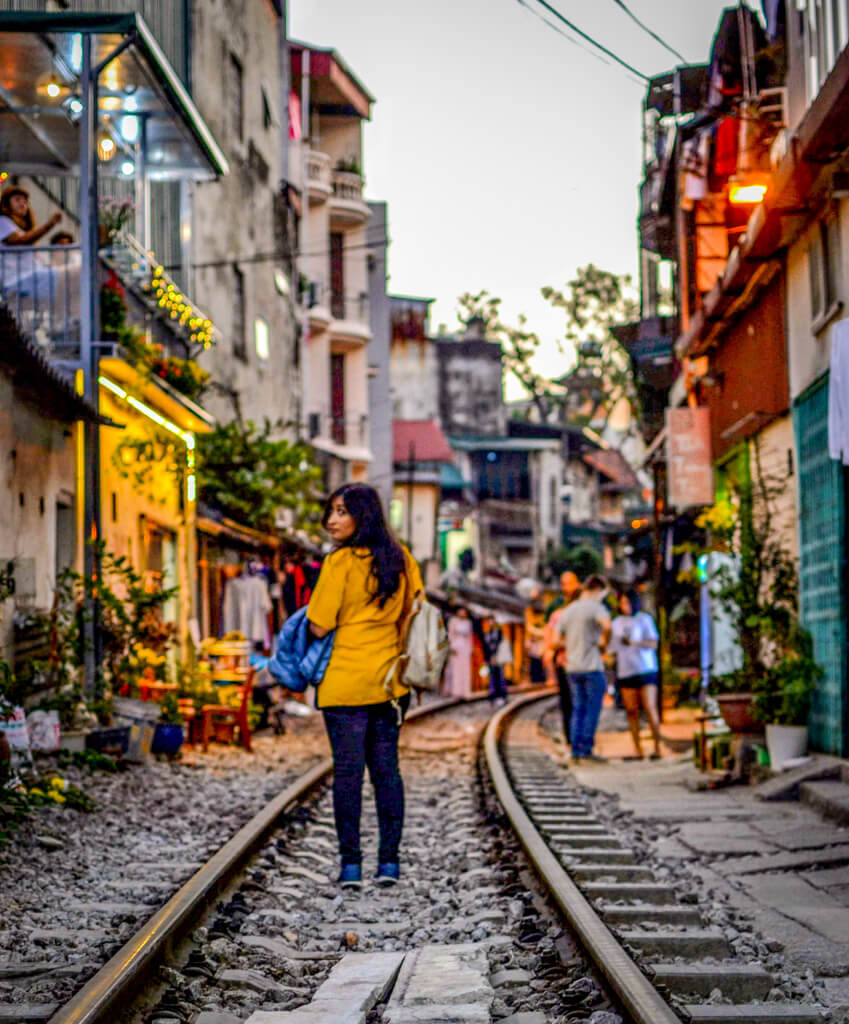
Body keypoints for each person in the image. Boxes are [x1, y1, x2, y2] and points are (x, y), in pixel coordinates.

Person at [306, 483, 423, 890]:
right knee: (387, 774)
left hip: (343, 685)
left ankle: (351, 866)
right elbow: (412, 617)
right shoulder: (402, 559)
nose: (332, 520)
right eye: (331, 511)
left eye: (341, 512)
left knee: (348, 776)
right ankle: (388, 864)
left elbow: (318, 624)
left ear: (362, 516)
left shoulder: (338, 564)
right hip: (390, 685)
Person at [556, 575, 612, 764]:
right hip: (592, 666)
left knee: (578, 708)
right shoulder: (596, 608)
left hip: (572, 667)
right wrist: (604, 643)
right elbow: (607, 626)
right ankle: (586, 748)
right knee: (592, 708)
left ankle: (576, 750)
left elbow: (556, 640)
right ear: (598, 590)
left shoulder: (568, 611)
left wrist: (571, 645)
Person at [610, 590, 662, 760]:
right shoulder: (616, 623)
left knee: (649, 707)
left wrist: (635, 642)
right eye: (622, 603)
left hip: (646, 668)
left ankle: (657, 747)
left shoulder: (644, 619)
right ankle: (637, 749)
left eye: (628, 603)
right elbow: (611, 647)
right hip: (626, 670)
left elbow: (653, 642)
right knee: (631, 711)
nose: (625, 606)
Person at [543, 572, 581, 746]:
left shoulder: (584, 605)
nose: (568, 588)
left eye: (571, 583)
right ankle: (571, 739)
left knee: (582, 702)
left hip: (583, 662)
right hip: (565, 662)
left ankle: (580, 739)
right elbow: (550, 638)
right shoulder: (556, 609)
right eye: (564, 584)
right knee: (568, 701)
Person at [445, 607, 473, 698]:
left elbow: (469, 637)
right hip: (456, 646)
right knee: (456, 669)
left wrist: (470, 649)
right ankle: (456, 691)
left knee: (465, 669)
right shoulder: (453, 621)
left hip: (465, 647)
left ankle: (465, 691)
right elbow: (450, 634)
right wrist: (451, 646)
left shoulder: (468, 623)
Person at [481, 614, 507, 706]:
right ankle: (493, 694)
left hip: (498, 658)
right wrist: (486, 658)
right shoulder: (486, 633)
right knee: (492, 677)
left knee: (500, 676)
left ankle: (501, 695)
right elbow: (485, 648)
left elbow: (499, 644)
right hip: (490, 659)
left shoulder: (498, 632)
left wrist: (495, 655)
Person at [524, 590, 547, 684]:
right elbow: (529, 626)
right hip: (534, 641)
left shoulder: (544, 610)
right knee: (534, 662)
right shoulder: (529, 610)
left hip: (542, 641)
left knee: (542, 662)